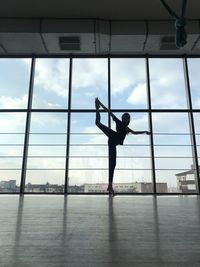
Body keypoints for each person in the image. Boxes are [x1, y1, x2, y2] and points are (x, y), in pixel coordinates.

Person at [95, 98, 150, 195]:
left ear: (129, 120)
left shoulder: (127, 129)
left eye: (127, 118)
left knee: (113, 164)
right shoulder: (119, 123)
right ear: (123, 118)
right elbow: (109, 112)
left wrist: (145, 132)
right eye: (124, 117)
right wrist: (100, 104)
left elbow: (135, 133)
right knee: (98, 123)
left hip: (113, 142)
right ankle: (97, 108)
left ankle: (110, 186)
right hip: (112, 136)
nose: (125, 119)